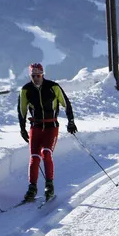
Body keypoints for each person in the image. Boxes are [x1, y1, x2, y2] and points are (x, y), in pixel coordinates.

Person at [17, 62, 76, 202]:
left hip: (51, 126)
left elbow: (66, 103)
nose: (36, 78)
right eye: (33, 76)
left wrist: (71, 121)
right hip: (35, 127)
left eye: (38, 75)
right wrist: (22, 129)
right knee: (34, 157)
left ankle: (49, 185)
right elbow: (21, 110)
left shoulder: (53, 87)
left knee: (46, 153)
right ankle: (32, 188)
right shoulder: (26, 90)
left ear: (43, 74)